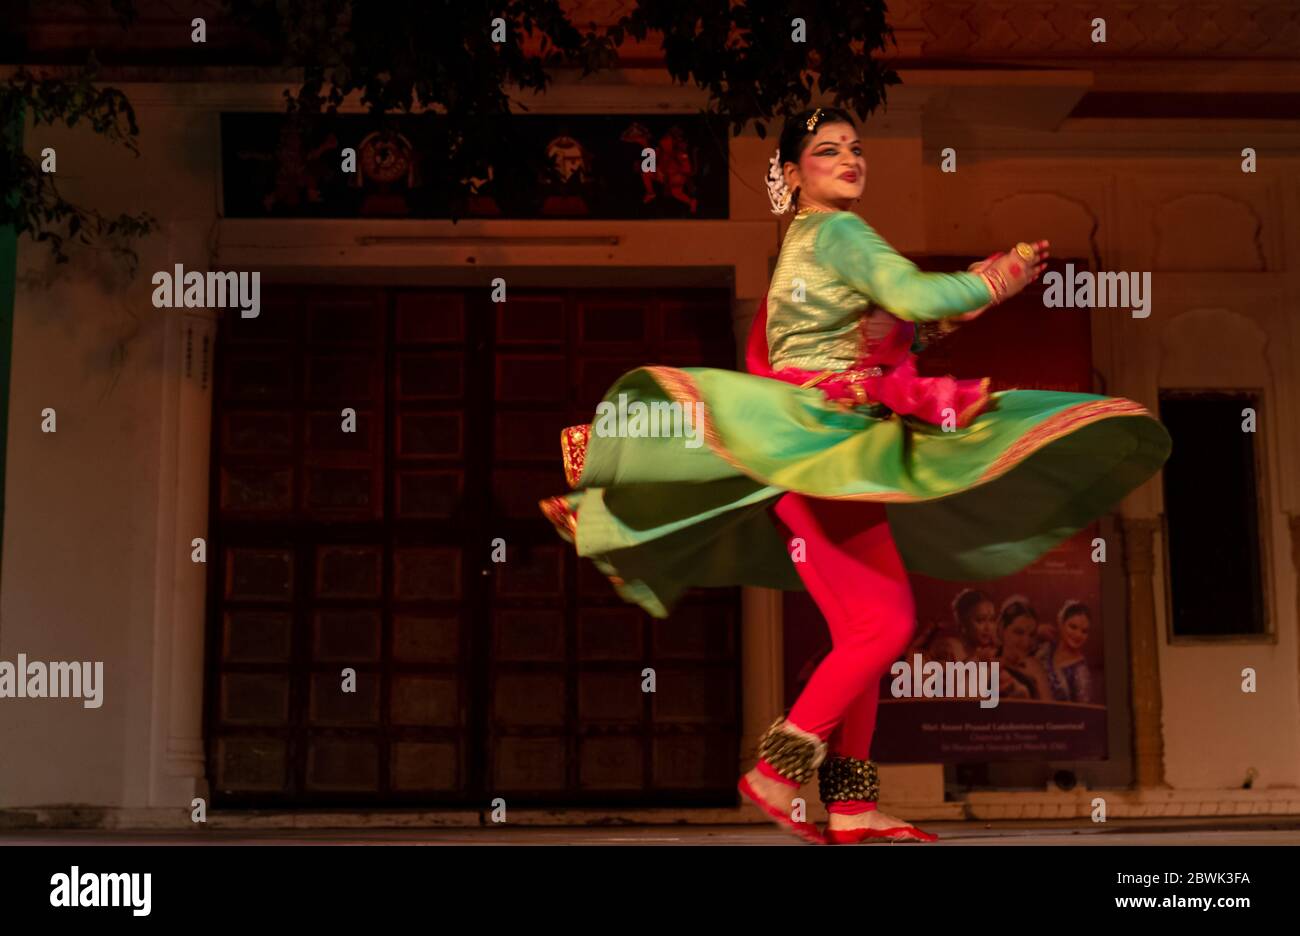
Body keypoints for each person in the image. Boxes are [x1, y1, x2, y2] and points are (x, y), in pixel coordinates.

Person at [539, 106, 1171, 844]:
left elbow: (894, 329)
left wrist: (955, 303)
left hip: (831, 448)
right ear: (791, 174)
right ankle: (777, 768)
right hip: (825, 450)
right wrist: (999, 276)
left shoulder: (803, 246)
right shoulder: (837, 232)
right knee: (885, 622)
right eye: (826, 150)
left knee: (865, 630)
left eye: (856, 148)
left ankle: (851, 802)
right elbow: (918, 298)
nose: (849, 159)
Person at [1035, 600, 1095, 703]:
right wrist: (1036, 631)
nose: (1078, 635)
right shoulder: (1047, 648)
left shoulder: (1080, 672)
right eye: (1073, 627)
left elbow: (1082, 712)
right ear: (1061, 623)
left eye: (1084, 631)